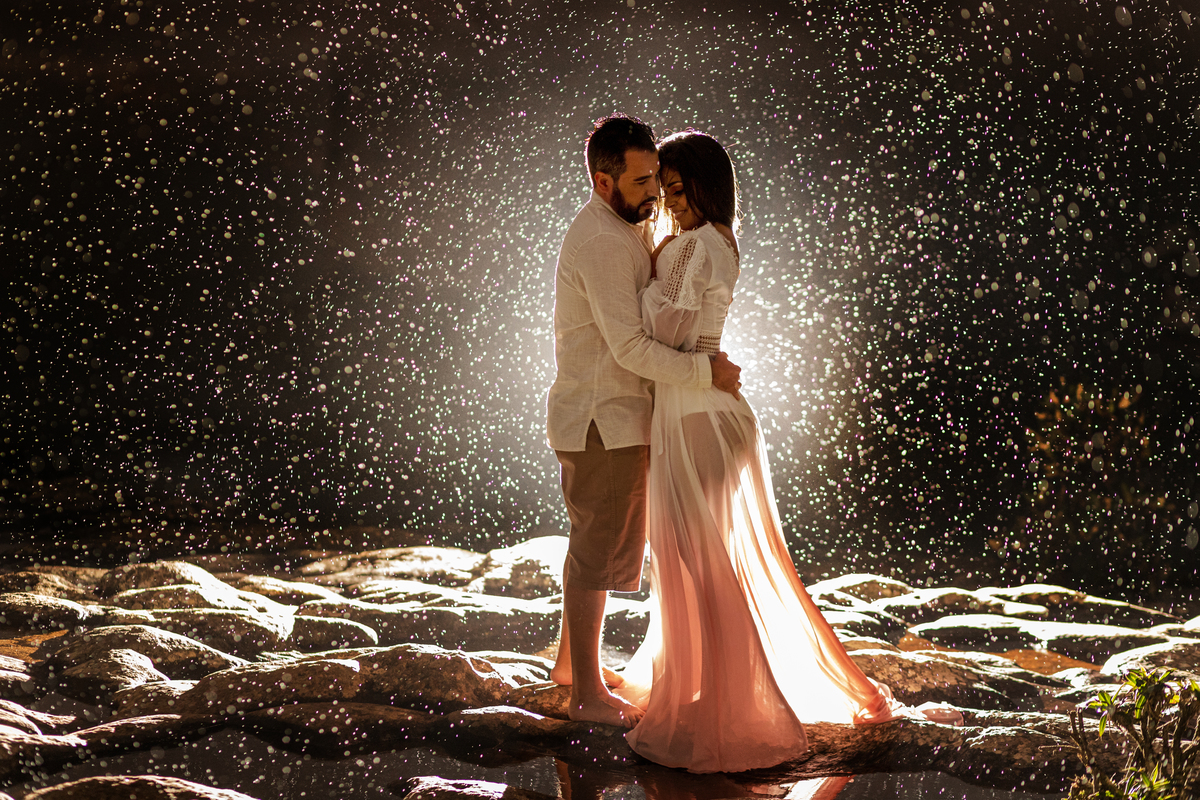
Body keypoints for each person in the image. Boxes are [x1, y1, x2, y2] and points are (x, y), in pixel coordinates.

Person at [614, 130, 962, 772]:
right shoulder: (717, 241)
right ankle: (708, 689)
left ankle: (731, 709)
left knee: (703, 565)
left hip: (698, 419)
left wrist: (641, 275)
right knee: (705, 563)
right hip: (703, 414)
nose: (670, 200)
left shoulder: (692, 245)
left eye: (678, 188)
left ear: (704, 185)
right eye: (664, 190)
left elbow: (661, 329)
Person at [545, 115, 743, 729]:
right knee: (598, 551)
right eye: (641, 181)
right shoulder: (604, 240)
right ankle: (584, 695)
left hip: (616, 415)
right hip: (604, 418)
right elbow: (631, 348)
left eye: (657, 176)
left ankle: (570, 668)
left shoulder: (627, 222)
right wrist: (705, 373)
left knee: (598, 544)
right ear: (604, 183)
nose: (655, 191)